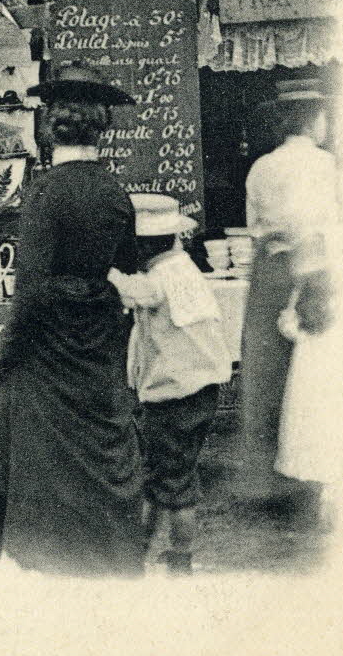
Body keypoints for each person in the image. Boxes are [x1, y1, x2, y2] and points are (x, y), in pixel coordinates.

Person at [0, 62, 146, 577]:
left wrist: (5, 351)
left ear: (50, 128)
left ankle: (45, 567)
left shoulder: (46, 192)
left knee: (43, 469)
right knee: (100, 460)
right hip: (97, 345)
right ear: (103, 129)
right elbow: (125, 268)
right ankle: (108, 564)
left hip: (48, 352)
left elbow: (31, 291)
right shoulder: (116, 194)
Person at [111, 194, 233, 575]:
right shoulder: (185, 268)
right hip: (202, 388)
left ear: (147, 244)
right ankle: (149, 547)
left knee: (172, 481)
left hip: (175, 394)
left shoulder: (159, 278)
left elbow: (133, 292)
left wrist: (105, 271)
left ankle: (179, 555)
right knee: (166, 474)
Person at [237, 81, 336, 512]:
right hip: (314, 270)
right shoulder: (326, 166)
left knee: (268, 369)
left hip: (270, 271)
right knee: (316, 370)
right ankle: (315, 469)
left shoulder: (261, 167)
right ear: (312, 120)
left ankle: (270, 474)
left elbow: (253, 224)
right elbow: (330, 227)